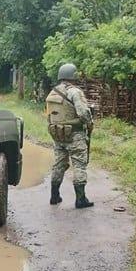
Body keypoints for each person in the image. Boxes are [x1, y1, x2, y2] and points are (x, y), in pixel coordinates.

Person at [45, 63, 94, 209]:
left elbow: (49, 115)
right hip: (74, 134)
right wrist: (90, 123)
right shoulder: (74, 92)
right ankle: (80, 199)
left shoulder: (52, 92)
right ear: (73, 76)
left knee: (59, 164)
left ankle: (54, 196)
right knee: (79, 165)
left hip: (58, 135)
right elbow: (83, 112)